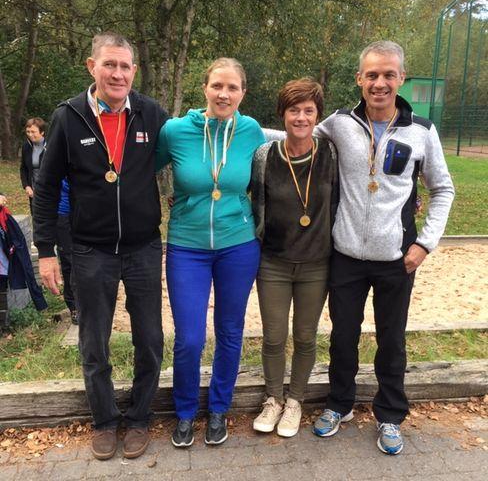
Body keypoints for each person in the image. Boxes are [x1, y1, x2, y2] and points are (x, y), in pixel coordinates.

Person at [311, 41, 455, 455]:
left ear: (401, 78)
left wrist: (425, 244)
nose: (380, 82)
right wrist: (234, 122)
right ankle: (339, 404)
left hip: (397, 258)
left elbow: (443, 189)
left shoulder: (422, 131)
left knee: (391, 339)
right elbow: (296, 134)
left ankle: (390, 415)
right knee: (342, 336)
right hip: (346, 255)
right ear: (359, 79)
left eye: (388, 74)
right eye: (372, 75)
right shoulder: (339, 123)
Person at [33, 32, 168, 460]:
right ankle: (106, 420)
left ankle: (140, 417)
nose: (118, 73)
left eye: (125, 66)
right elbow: (47, 185)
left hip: (144, 246)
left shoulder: (152, 114)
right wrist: (47, 250)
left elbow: (181, 152)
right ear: (92, 67)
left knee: (149, 337)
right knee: (94, 340)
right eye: (109, 64)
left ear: (134, 71)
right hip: (90, 249)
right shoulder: (68, 116)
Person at [156, 58, 265, 448]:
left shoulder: (251, 130)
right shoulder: (175, 131)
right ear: (204, 88)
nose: (224, 94)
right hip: (187, 246)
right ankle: (185, 412)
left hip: (238, 245)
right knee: (188, 337)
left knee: (230, 331)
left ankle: (219, 408)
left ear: (242, 93)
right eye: (217, 85)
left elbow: (298, 139)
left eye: (232, 88)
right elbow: (138, 169)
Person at [250, 78, 338, 437]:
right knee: (273, 337)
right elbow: (249, 197)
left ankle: (296, 400)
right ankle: (273, 399)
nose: (300, 117)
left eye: (308, 111)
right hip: (273, 262)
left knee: (304, 336)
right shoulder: (264, 156)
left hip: (317, 263)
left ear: (317, 115)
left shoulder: (331, 152)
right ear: (282, 114)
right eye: (293, 110)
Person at [55, 178, 78, 325]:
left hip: (85, 214)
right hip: (62, 214)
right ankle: (74, 307)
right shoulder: (53, 157)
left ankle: (88, 302)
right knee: (69, 262)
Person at [20, 118, 46, 215]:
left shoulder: (51, 146)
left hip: (50, 190)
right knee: (36, 218)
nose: (30, 134)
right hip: (33, 191)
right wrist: (27, 186)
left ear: (42, 132)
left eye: (33, 132)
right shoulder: (26, 146)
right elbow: (23, 169)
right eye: (28, 131)